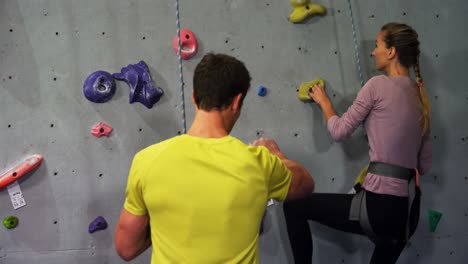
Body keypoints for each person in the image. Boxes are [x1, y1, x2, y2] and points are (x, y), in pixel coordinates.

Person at [114, 53, 315, 263]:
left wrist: (163, 217)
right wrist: (276, 154)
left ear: (194, 97)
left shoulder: (146, 161)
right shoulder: (260, 163)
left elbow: (126, 248)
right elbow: (306, 184)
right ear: (237, 101)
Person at [283, 22, 432, 264]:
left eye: (377, 45)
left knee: (294, 208)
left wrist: (324, 103)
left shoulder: (377, 86)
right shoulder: (420, 98)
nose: (373, 52)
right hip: (405, 216)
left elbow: (340, 131)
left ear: (391, 52)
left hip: (378, 209)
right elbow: (423, 165)